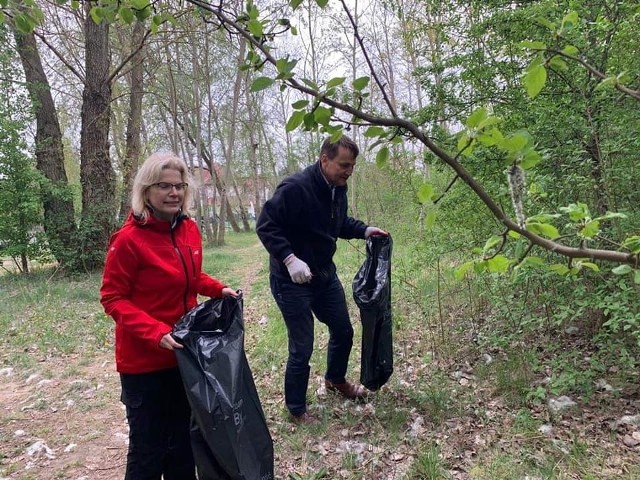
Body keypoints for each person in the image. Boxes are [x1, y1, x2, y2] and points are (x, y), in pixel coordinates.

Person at [100, 152, 238, 479]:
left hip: (184, 357)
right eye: (164, 186)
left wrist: (220, 290)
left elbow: (191, 278)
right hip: (143, 363)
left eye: (179, 186)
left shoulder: (188, 229)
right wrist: (155, 332)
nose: (173, 193)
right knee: (148, 449)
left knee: (182, 443)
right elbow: (112, 298)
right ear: (146, 191)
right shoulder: (128, 240)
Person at [256, 135, 388, 424]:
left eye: (352, 166)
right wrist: (289, 259)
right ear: (324, 159)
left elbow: (337, 224)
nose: (348, 171)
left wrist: (365, 230)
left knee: (343, 331)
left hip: (324, 276)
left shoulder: (337, 187)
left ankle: (335, 379)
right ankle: (296, 409)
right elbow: (266, 226)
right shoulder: (294, 188)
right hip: (291, 282)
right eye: (344, 165)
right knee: (302, 346)